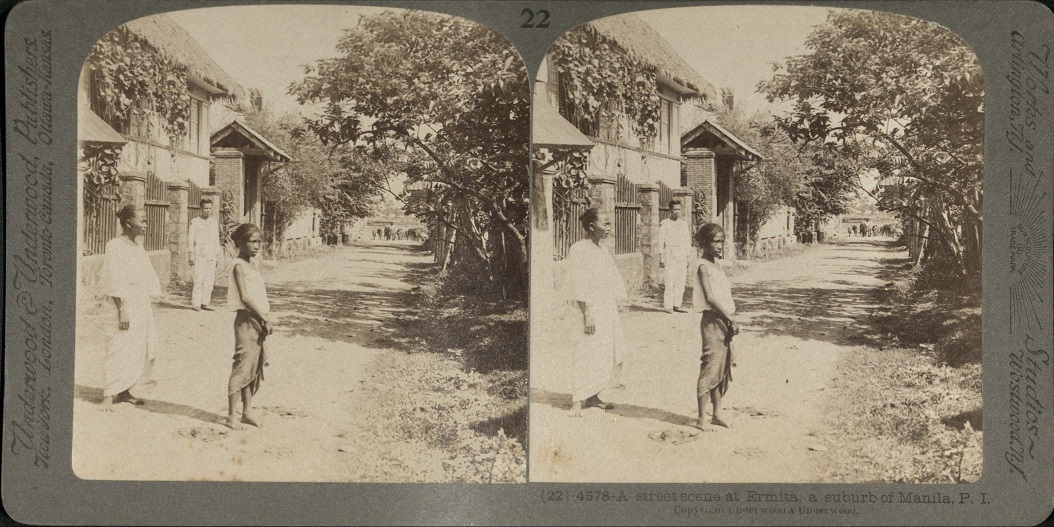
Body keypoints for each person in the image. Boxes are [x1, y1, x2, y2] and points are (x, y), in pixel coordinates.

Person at [563, 208, 627, 417]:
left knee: (603, 352)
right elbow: (577, 283)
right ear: (591, 226)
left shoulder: (603, 249)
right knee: (584, 351)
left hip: (605, 307)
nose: (609, 228)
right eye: (605, 224)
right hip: (587, 309)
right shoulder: (579, 249)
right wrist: (587, 313)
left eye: (609, 223)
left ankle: (594, 395)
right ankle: (577, 400)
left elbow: (611, 278)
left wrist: (617, 301)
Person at [98, 205, 162, 410]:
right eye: (142, 220)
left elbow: (144, 276)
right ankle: (108, 394)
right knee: (117, 346)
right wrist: (122, 309)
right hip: (121, 304)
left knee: (135, 348)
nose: (145, 224)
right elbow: (113, 278)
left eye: (145, 220)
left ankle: (125, 389)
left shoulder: (138, 246)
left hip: (139, 303)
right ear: (128, 223)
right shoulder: (114, 246)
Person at [691, 223, 739, 431]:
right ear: (703, 243)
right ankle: (702, 417)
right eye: (715, 241)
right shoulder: (702, 266)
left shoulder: (717, 265)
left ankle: (717, 413)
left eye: (722, 241)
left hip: (724, 321)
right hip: (712, 321)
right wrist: (730, 318)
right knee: (710, 366)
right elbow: (710, 297)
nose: (720, 245)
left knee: (722, 366)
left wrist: (729, 319)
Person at [225, 223, 273, 430]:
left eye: (259, 242)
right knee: (242, 365)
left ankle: (247, 412)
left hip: (257, 321)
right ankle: (231, 415)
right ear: (240, 243)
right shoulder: (238, 266)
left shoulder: (253, 265)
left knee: (254, 366)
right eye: (252, 241)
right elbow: (245, 297)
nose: (256, 246)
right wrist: (263, 317)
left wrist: (263, 319)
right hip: (246, 320)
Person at [658, 200, 692, 313]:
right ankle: (668, 306)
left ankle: (677, 304)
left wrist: (687, 256)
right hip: (670, 252)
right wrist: (661, 255)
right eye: (674, 209)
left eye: (678, 209)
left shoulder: (683, 224)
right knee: (670, 279)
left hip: (681, 252)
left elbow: (687, 241)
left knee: (681, 280)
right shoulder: (665, 223)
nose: (677, 212)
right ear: (670, 210)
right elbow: (660, 240)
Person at [188, 199, 221, 311]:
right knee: (199, 278)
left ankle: (205, 302)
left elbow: (216, 239)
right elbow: (191, 238)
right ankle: (196, 303)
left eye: (209, 208)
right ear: (201, 209)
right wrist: (191, 253)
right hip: (200, 251)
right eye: (205, 208)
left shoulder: (213, 222)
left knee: (209, 279)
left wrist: (217, 255)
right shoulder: (195, 221)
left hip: (211, 252)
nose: (208, 210)